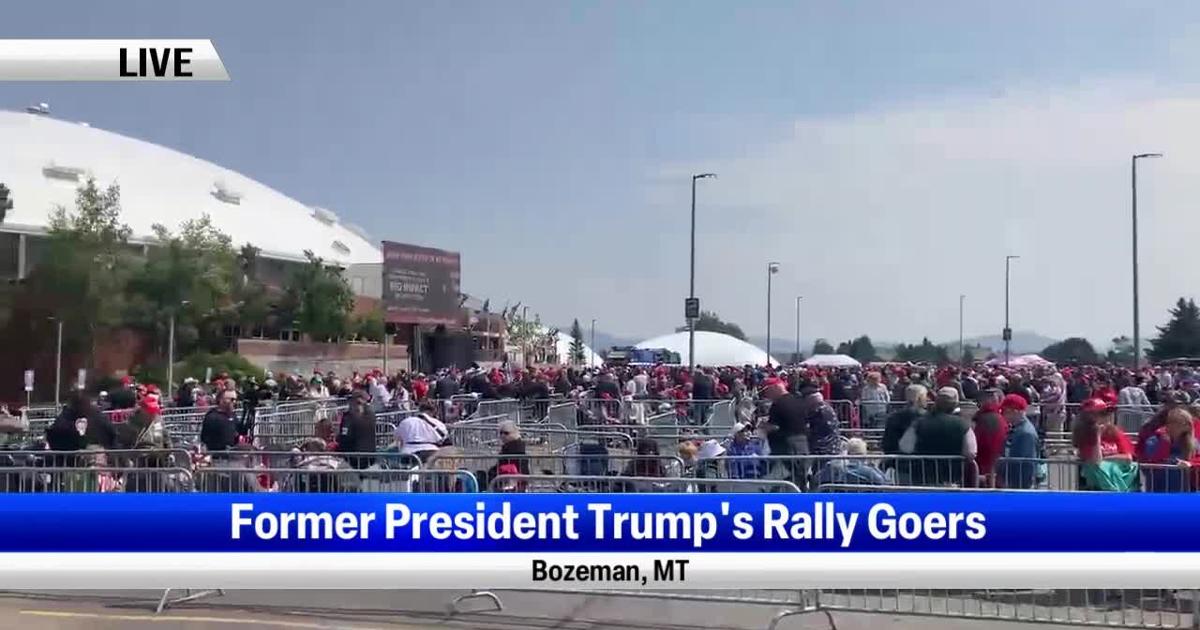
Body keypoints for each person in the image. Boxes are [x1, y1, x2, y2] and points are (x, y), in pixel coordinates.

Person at [899, 387, 976, 486]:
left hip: (922, 477)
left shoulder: (919, 423)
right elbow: (971, 452)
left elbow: (905, 447)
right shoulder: (963, 425)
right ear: (956, 404)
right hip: (951, 478)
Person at [1073, 398, 1138, 491]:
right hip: (1098, 485)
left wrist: (1105, 459)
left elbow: (1127, 458)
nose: (1107, 417)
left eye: (1107, 413)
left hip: (1121, 478)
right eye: (1102, 414)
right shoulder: (1085, 436)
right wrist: (1097, 435)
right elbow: (1095, 461)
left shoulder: (1115, 433)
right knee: (1097, 467)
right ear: (1089, 417)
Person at [1139, 407, 1200, 493]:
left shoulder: (1194, 443)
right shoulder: (1154, 439)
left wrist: (1190, 464)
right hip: (1158, 486)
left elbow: (1198, 458)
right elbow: (1152, 459)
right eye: (1173, 422)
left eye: (1185, 423)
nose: (1173, 426)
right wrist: (1165, 443)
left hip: (1185, 489)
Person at [46, 392, 116, 455]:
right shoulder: (96, 415)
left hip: (74, 455)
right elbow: (111, 431)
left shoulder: (65, 418)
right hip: (92, 452)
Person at [997, 394, 1039, 489]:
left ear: (1015, 411)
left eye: (1004, 411)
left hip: (1019, 483)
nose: (1002, 414)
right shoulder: (1018, 429)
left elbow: (1023, 462)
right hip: (1014, 482)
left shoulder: (1026, 433)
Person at [813, 438, 889, 487]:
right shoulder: (870, 472)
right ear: (864, 454)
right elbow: (884, 484)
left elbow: (816, 480)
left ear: (847, 452)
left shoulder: (831, 467)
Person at [972, 390, 1009, 487]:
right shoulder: (1000, 419)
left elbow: (977, 442)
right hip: (995, 465)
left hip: (983, 466)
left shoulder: (981, 419)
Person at [336, 389, 378, 469]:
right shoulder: (372, 415)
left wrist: (338, 439)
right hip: (371, 457)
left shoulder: (349, 417)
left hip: (352, 458)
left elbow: (345, 437)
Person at [200, 388, 243, 456]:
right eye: (231, 399)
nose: (234, 402)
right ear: (221, 400)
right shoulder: (212, 417)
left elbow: (238, 431)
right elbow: (205, 438)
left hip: (232, 454)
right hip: (218, 455)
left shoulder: (233, 415)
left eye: (235, 399)